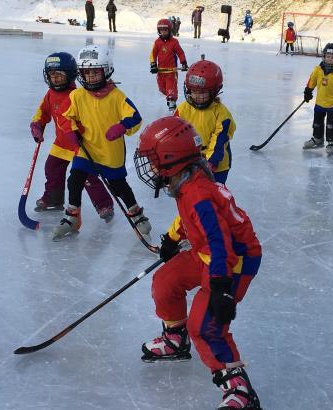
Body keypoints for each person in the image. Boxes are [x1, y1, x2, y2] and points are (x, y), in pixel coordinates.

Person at [134, 116, 262, 410]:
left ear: (171, 159)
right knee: (165, 282)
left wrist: (220, 287)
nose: (150, 167)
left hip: (232, 262)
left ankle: (238, 387)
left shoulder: (197, 194)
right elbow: (190, 220)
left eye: (153, 160)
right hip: (207, 253)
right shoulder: (187, 181)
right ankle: (175, 339)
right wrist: (171, 238)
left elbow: (220, 242)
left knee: (205, 325)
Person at [53, 44, 151, 240]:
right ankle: (72, 216)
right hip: (86, 149)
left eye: (95, 73)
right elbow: (64, 116)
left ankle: (136, 214)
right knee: (75, 179)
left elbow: (135, 117)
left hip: (109, 152)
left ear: (106, 71)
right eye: (86, 73)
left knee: (118, 186)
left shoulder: (116, 96)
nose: (90, 77)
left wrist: (121, 126)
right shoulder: (77, 95)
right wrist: (71, 130)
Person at [30, 52, 114, 221]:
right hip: (61, 143)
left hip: (79, 145)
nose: (55, 79)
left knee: (87, 177)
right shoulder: (50, 94)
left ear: (70, 75)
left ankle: (104, 204)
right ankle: (53, 198)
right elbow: (43, 112)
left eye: (59, 75)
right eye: (52, 75)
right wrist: (37, 125)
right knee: (52, 169)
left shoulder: (77, 95)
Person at [174, 59, 236, 184]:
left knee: (213, 195)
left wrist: (210, 163)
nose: (197, 96)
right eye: (194, 91)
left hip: (217, 166)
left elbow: (219, 141)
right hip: (191, 162)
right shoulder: (182, 109)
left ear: (214, 91)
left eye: (203, 92)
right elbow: (174, 134)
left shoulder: (222, 114)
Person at [149, 19, 188, 112]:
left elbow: (180, 53)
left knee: (171, 88)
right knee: (162, 89)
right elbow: (152, 54)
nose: (163, 32)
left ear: (169, 30)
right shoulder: (157, 42)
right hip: (161, 71)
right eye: (161, 30)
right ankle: (170, 97)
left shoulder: (174, 42)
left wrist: (184, 63)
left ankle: (172, 102)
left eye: (165, 30)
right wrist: (153, 65)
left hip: (171, 71)